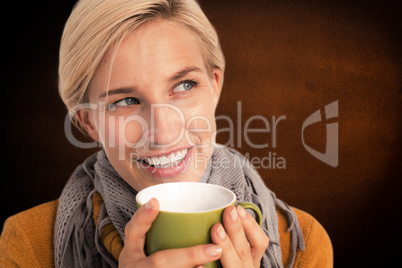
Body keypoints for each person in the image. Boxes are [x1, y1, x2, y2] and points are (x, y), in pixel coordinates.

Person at [0, 0, 333, 267]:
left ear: (214, 87)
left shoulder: (301, 245)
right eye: (126, 101)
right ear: (88, 123)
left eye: (184, 85)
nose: (163, 131)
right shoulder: (29, 244)